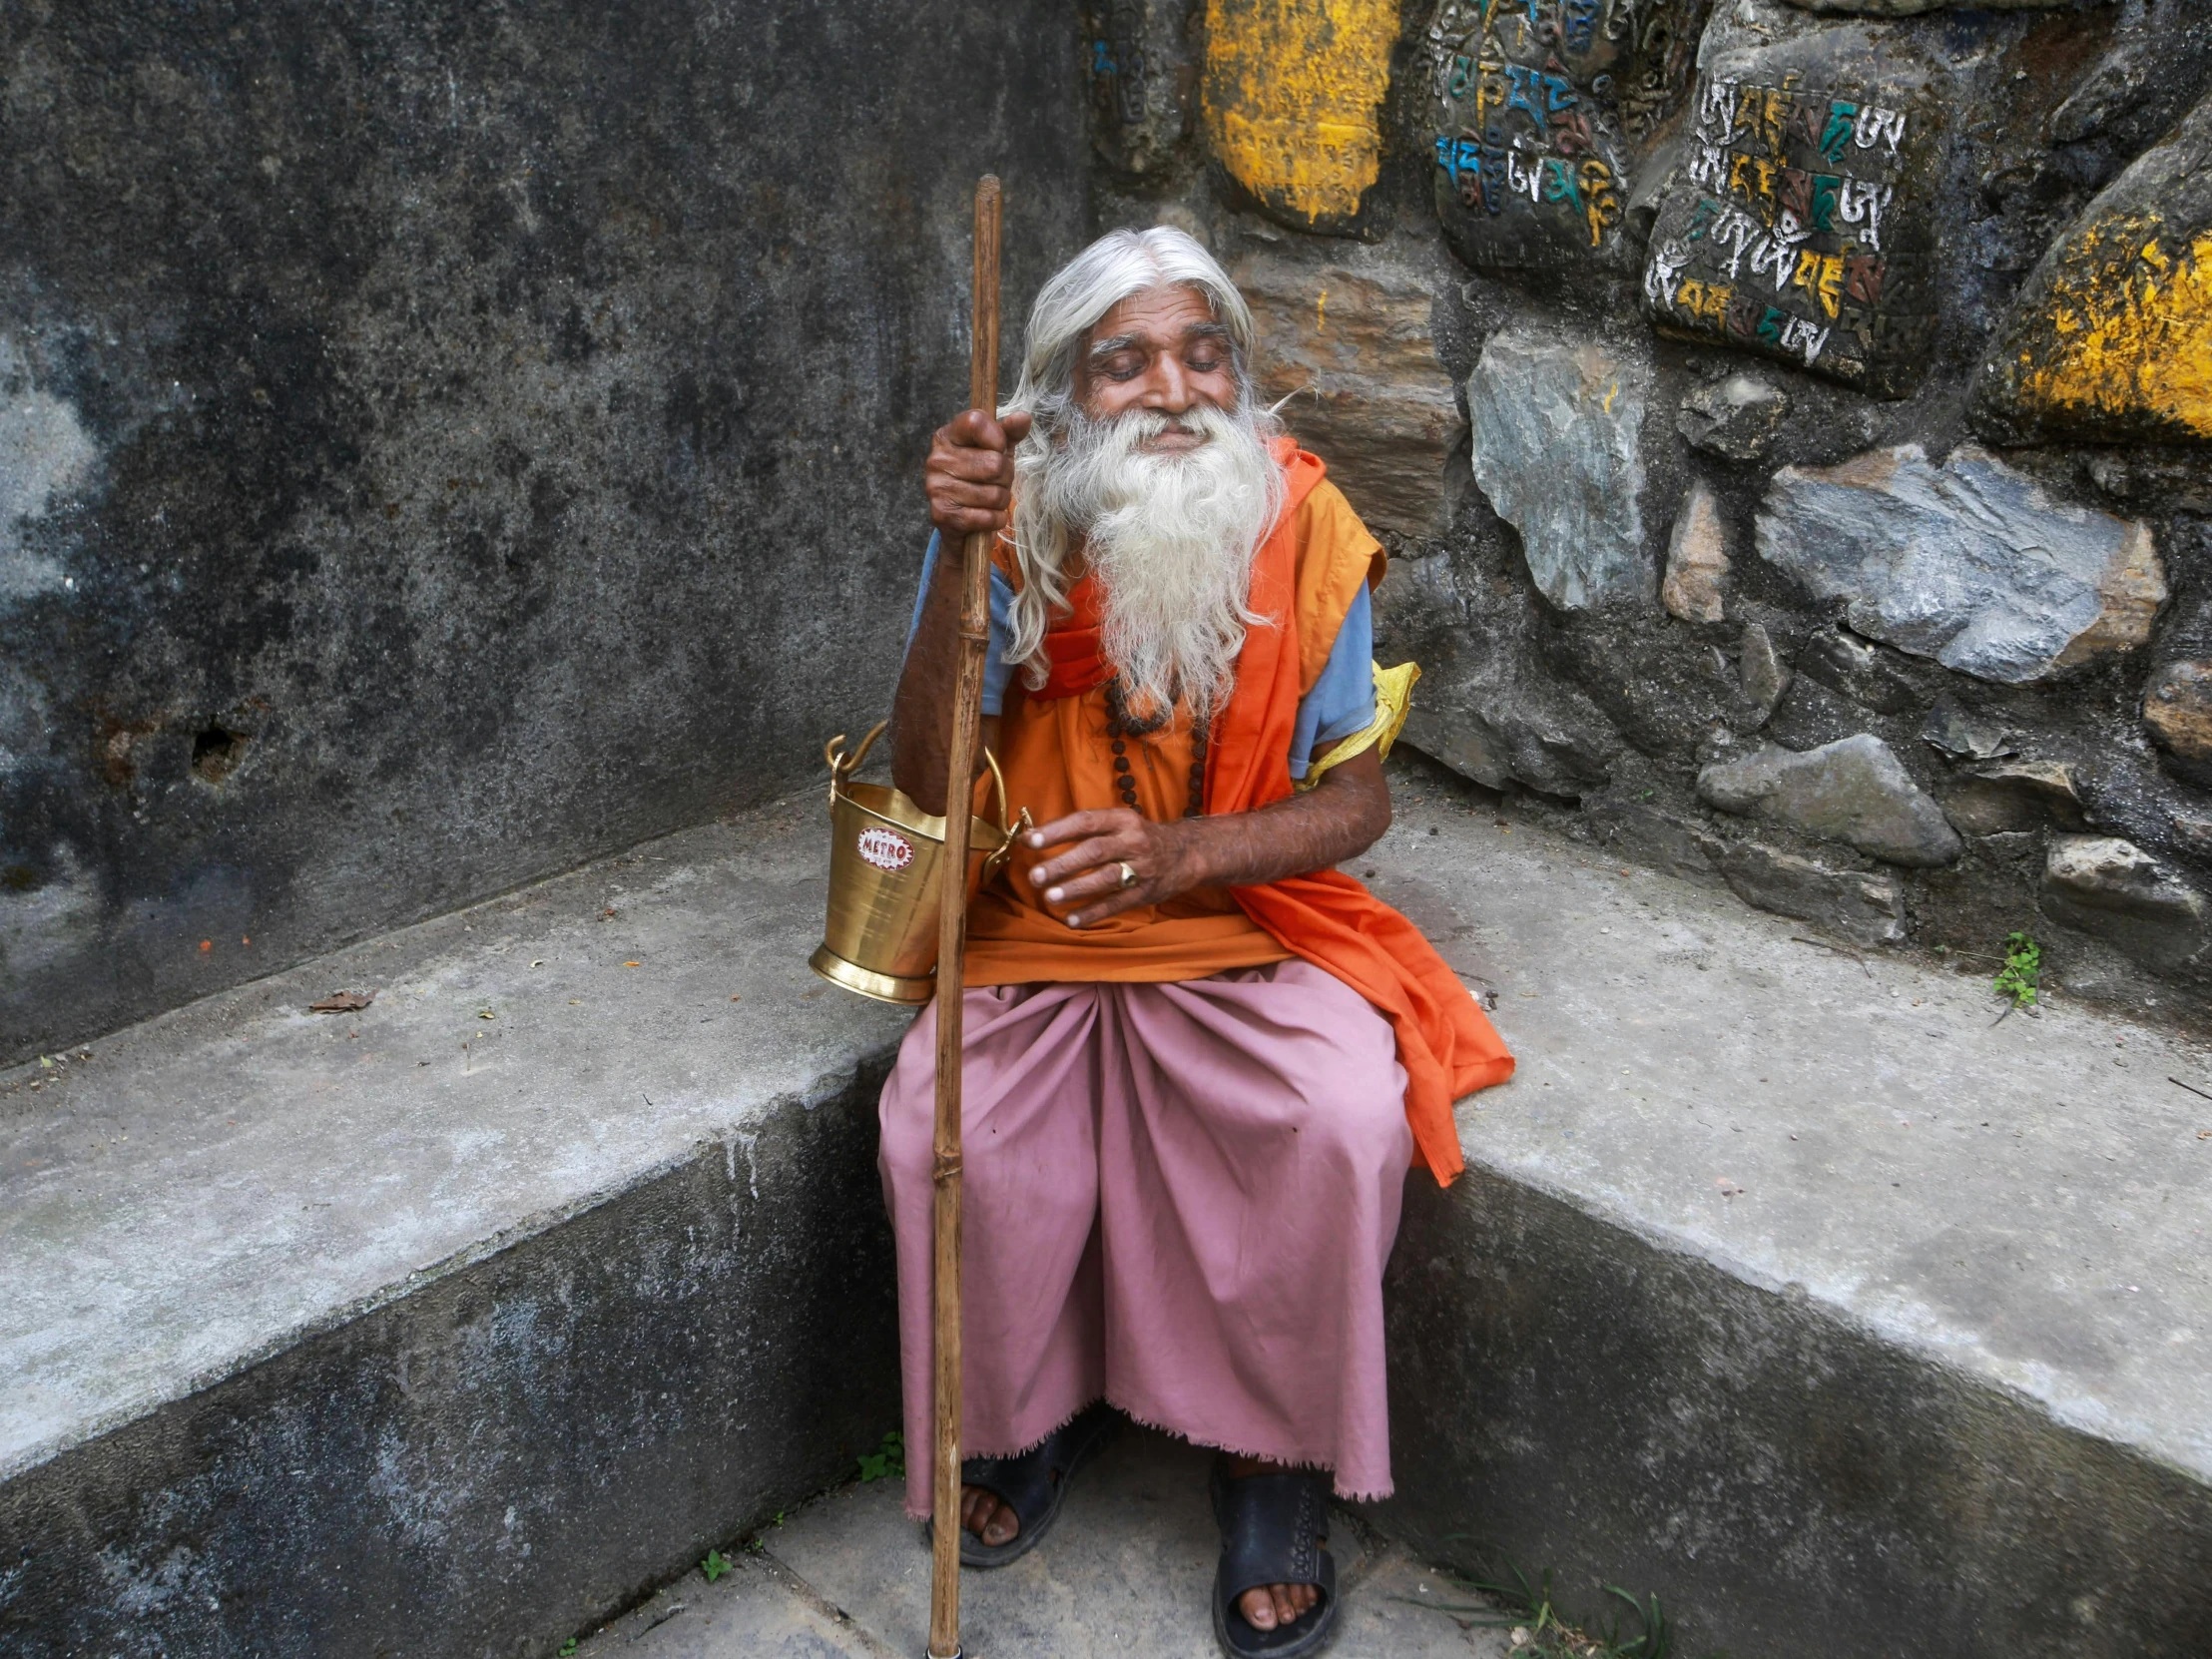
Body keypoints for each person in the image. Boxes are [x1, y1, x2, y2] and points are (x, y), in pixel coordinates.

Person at [881, 226, 1513, 1658]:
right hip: (1034, 936)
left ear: (1236, 377)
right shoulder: (1006, 521)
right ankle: (1031, 1418)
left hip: (1236, 928)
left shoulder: (1299, 523)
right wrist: (950, 552)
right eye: (1125, 361)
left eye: (1202, 351)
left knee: (1340, 1114)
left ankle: (1272, 1468)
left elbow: (1359, 799)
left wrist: (1180, 857)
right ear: (1057, 398)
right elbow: (926, 787)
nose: (1172, 387)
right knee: (933, 1121)